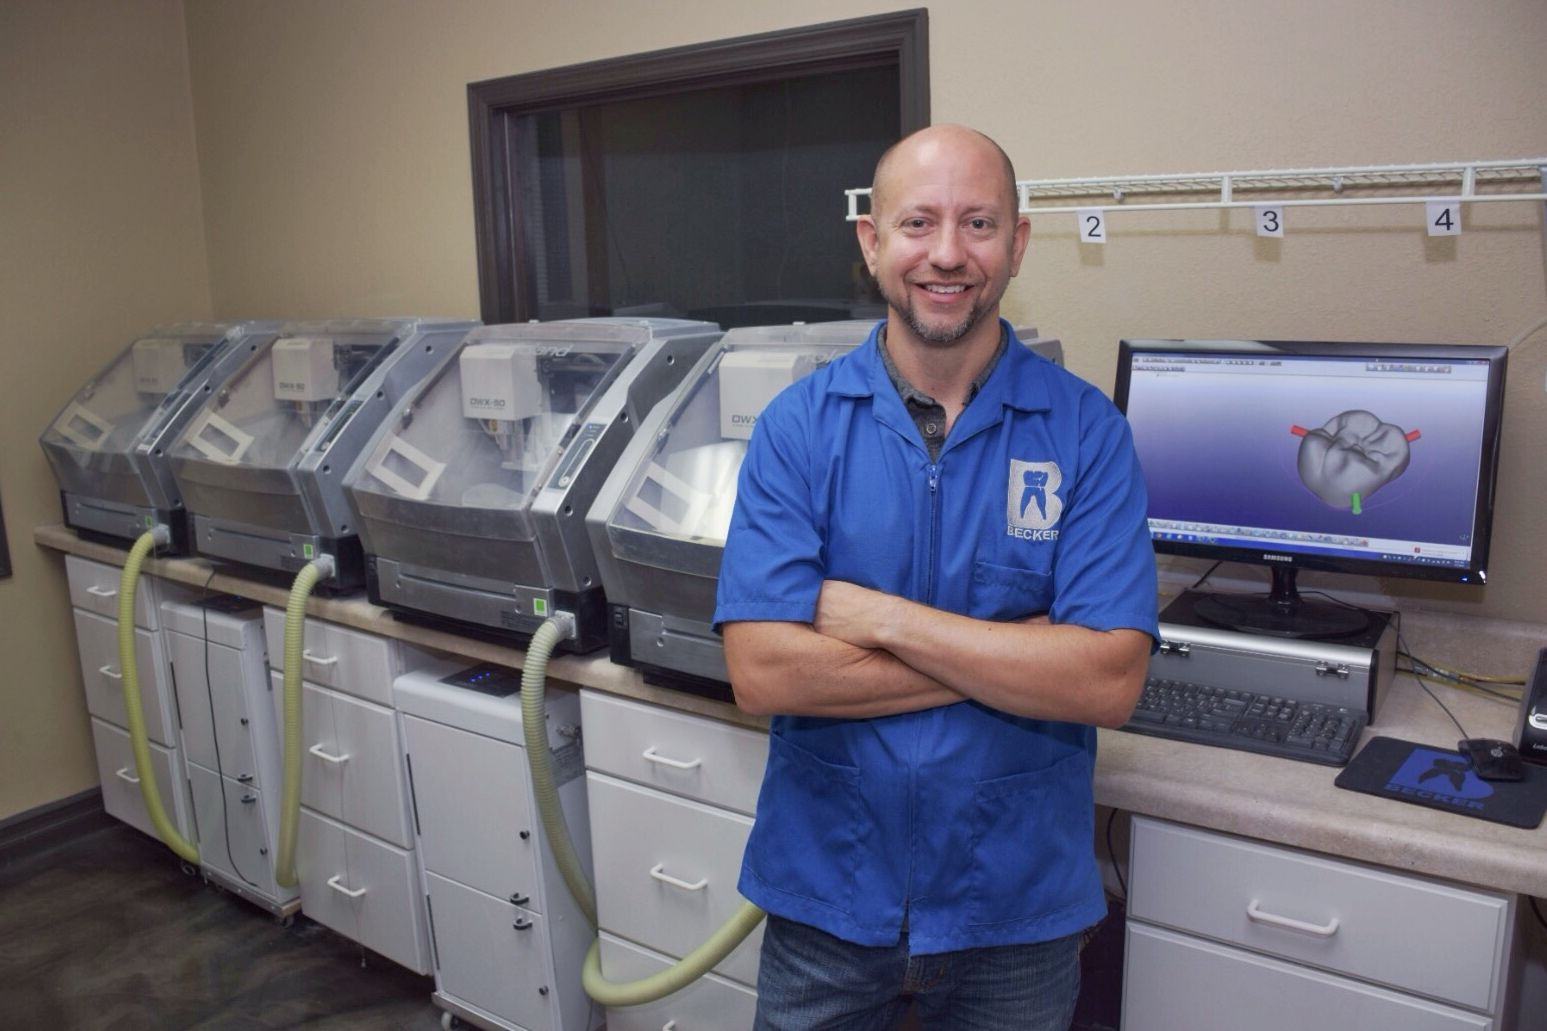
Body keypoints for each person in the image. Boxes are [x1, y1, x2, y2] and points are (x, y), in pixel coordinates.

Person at [712, 123, 1160, 1030]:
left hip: (1016, 913)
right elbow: (763, 672)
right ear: (872, 244)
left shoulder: (1086, 433)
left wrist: (878, 618)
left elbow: (1107, 681)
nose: (947, 254)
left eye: (979, 224)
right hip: (825, 901)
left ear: (1018, 243)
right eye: (917, 223)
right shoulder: (798, 428)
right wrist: (1024, 655)